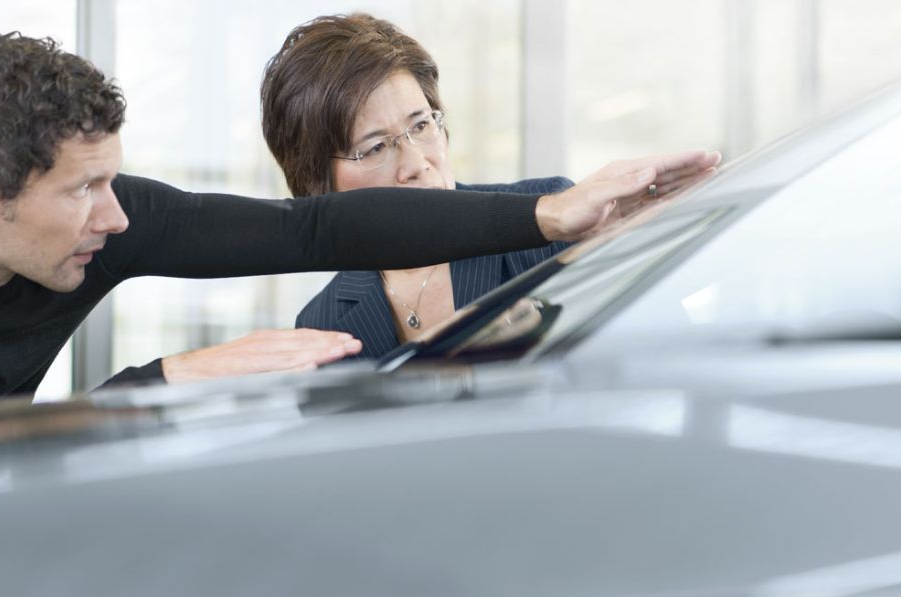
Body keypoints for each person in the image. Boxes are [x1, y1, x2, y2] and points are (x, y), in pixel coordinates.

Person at [0, 32, 677, 415]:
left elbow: (313, 231)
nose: (116, 212)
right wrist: (162, 383)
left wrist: (550, 213)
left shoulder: (97, 224)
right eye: (82, 190)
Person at [261, 13, 720, 358]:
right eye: (377, 147)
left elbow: (665, 365)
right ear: (319, 183)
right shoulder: (320, 324)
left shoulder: (556, 218)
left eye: (422, 126)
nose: (417, 163)